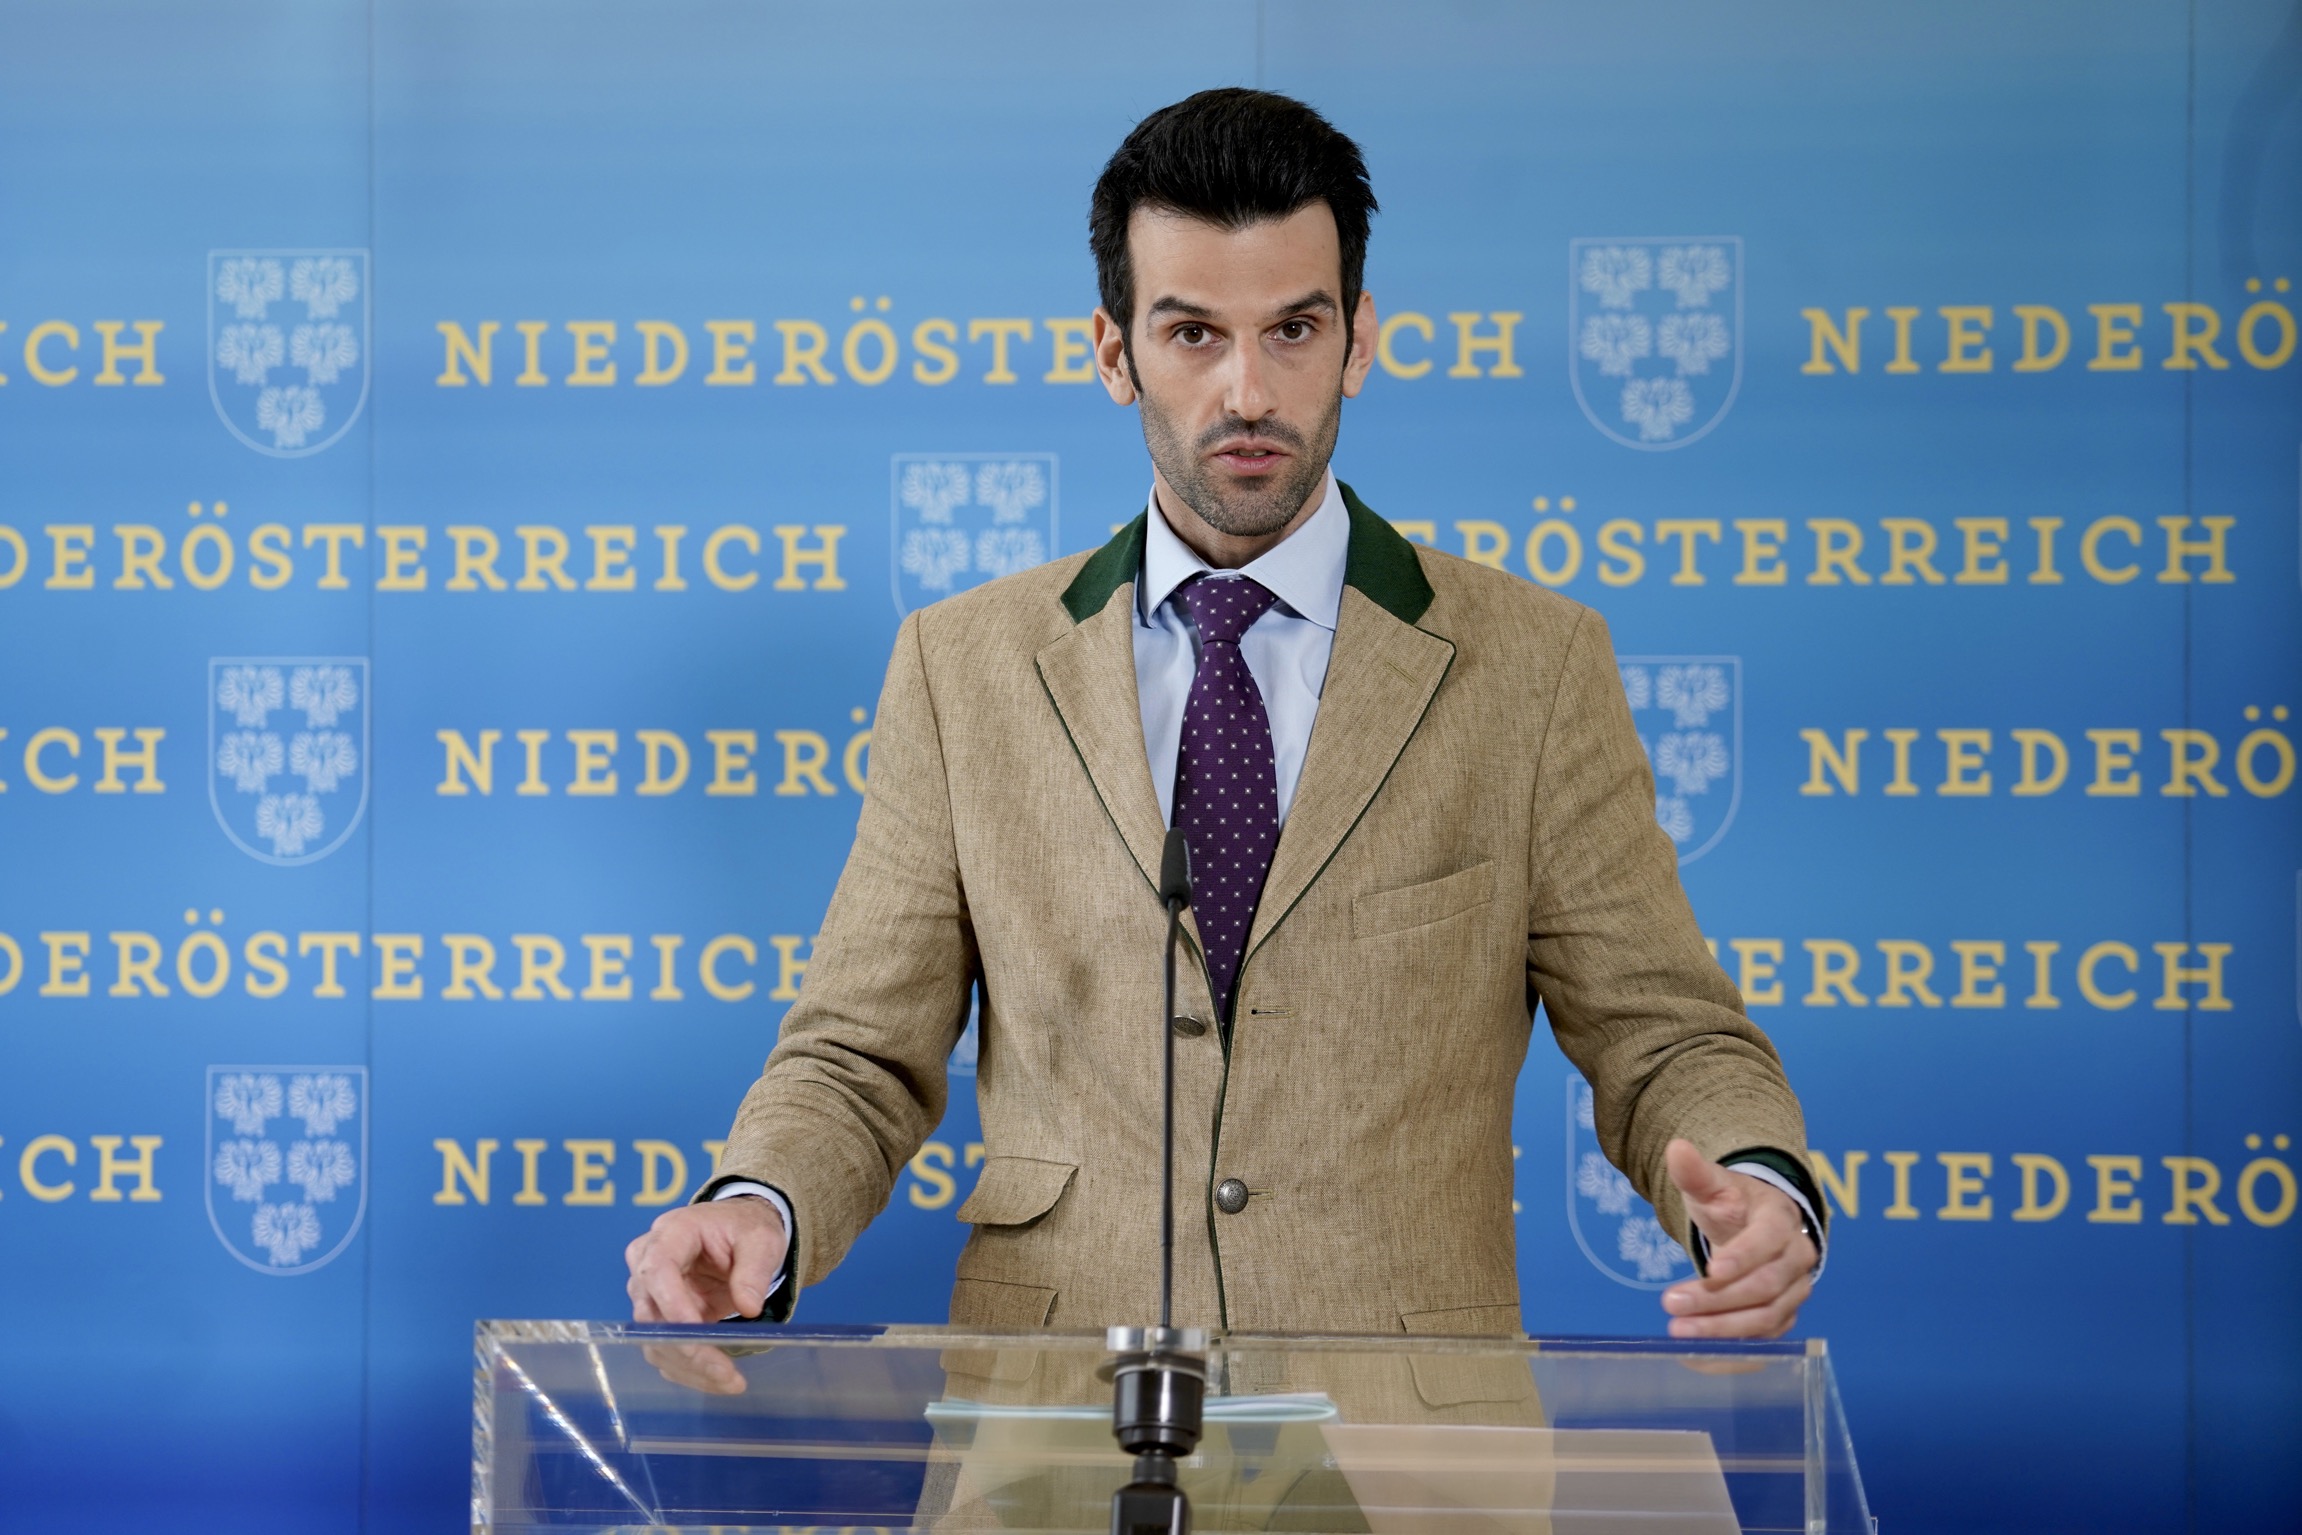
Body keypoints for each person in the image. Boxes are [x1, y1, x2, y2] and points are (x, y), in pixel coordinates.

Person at [626, 89, 1824, 1380]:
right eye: (1192, 333)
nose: (1248, 392)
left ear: (1357, 340)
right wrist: (761, 1203)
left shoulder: (1532, 668)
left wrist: (1759, 1183)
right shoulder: (960, 669)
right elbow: (859, 1055)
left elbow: (1664, 1033)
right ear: (1114, 353)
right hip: (1053, 1425)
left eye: (1293, 330)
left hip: (1409, 1439)